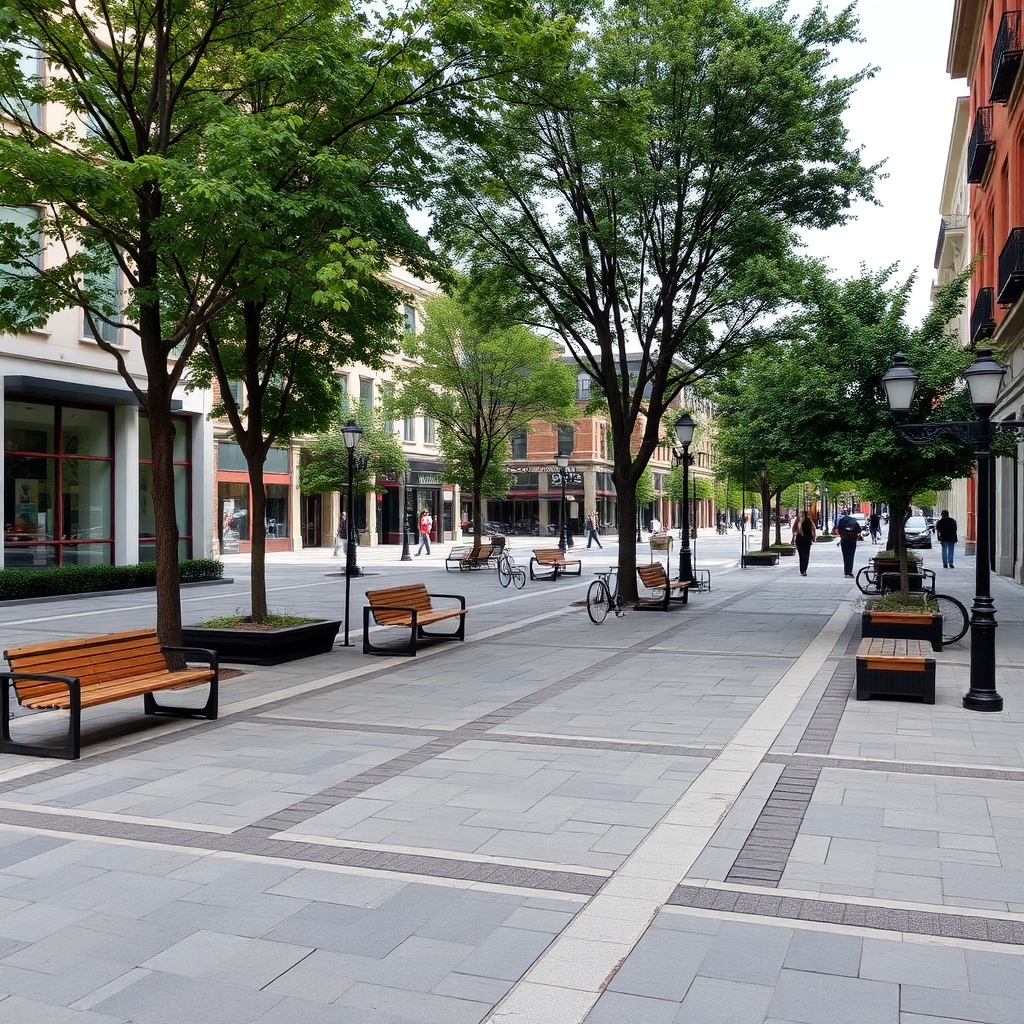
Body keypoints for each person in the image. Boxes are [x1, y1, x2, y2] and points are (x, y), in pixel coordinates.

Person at [835, 509, 861, 578]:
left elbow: (838, 529)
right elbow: (859, 530)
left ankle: (846, 572)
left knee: (845, 556)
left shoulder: (842, 521)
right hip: (852, 540)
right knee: (851, 556)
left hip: (844, 540)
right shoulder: (853, 520)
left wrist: (842, 535)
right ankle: (850, 571)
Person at [793, 511, 816, 576]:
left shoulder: (798, 521)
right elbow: (813, 530)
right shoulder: (810, 521)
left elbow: (794, 529)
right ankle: (804, 570)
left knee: (801, 555)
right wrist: (813, 538)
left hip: (800, 539)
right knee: (806, 555)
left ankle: (802, 570)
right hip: (807, 540)